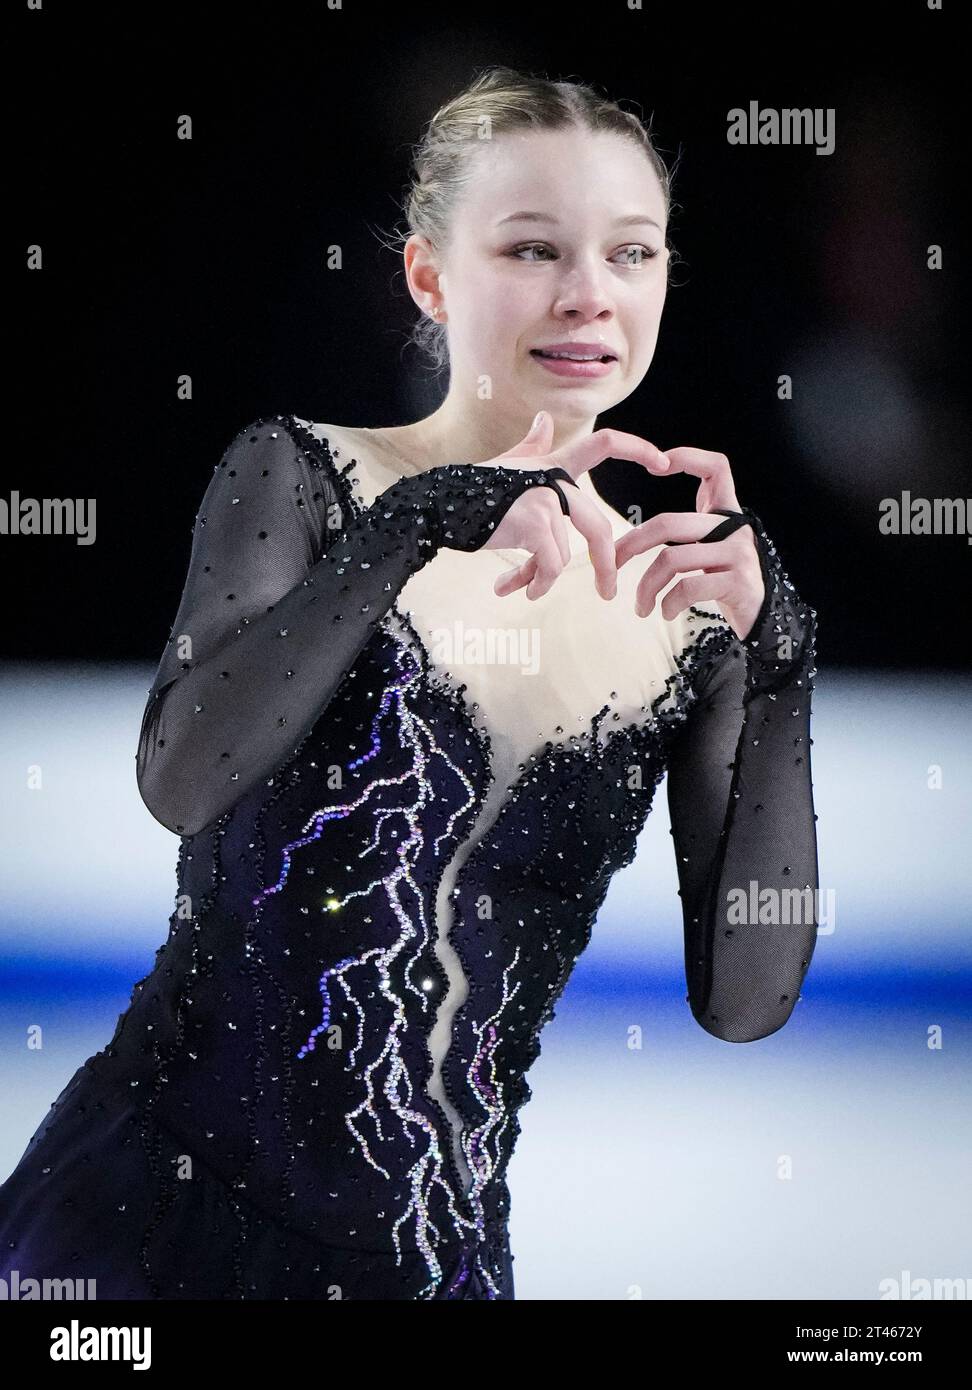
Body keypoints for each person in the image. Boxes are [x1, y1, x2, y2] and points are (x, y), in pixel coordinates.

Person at [0, 65, 819, 1301]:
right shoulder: (301, 479)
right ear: (429, 275)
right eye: (534, 247)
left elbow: (745, 1002)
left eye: (633, 253)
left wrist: (782, 667)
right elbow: (181, 777)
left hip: (428, 1267)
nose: (589, 294)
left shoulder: (684, 625)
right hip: (145, 1230)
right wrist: (411, 528)